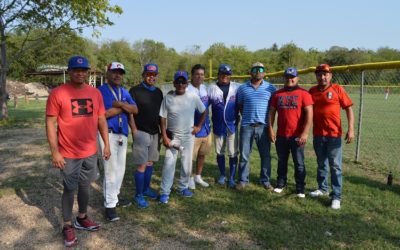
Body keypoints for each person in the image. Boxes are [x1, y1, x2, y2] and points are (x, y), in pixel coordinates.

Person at [46, 55, 111, 247]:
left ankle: (82, 218)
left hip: (90, 150)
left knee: (85, 186)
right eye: (76, 70)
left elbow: (101, 120)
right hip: (68, 152)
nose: (80, 73)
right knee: (69, 188)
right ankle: (67, 225)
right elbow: (50, 123)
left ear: (88, 72)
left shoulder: (95, 93)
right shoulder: (58, 93)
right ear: (69, 71)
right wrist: (55, 152)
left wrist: (106, 144)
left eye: (83, 70)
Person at [309, 64, 354, 209]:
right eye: (319, 74)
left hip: (334, 135)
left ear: (330, 75)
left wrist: (351, 129)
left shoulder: (337, 89)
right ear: (316, 76)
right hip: (318, 134)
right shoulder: (312, 91)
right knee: (321, 163)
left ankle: (336, 196)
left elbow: (349, 109)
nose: (322, 77)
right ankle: (322, 188)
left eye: (325, 74)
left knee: (335, 166)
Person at [159, 71, 206, 204]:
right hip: (172, 136)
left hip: (188, 136)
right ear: (174, 83)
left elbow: (204, 111)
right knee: (169, 164)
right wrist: (164, 136)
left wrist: (198, 126)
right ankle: (164, 192)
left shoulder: (193, 97)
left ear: (187, 83)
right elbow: (162, 118)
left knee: (186, 164)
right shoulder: (168, 98)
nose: (180, 84)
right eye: (178, 82)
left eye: (183, 82)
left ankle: (183, 187)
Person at [98, 62, 138, 221]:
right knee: (109, 169)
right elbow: (105, 114)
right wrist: (125, 107)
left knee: (120, 169)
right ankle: (109, 205)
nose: (118, 75)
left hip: (122, 134)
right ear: (107, 73)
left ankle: (115, 196)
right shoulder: (101, 91)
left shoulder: (124, 91)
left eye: (120, 73)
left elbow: (135, 110)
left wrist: (120, 104)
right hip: (107, 133)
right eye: (114, 72)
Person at [268, 67, 313, 198]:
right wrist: (270, 129)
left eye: (292, 77)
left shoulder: (303, 93)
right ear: (284, 78)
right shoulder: (277, 94)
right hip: (282, 135)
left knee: (299, 163)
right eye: (287, 77)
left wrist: (305, 133)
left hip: (297, 135)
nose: (290, 79)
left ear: (297, 78)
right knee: (282, 161)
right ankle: (281, 183)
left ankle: (300, 187)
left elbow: (310, 114)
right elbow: (271, 112)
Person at [236, 62, 276, 190]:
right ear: (250, 72)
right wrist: (248, 117)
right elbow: (240, 106)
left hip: (263, 127)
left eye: (261, 69)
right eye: (255, 69)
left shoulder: (271, 88)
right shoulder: (242, 88)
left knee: (265, 155)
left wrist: (270, 127)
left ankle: (265, 180)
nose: (258, 71)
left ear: (264, 72)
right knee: (244, 155)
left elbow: (272, 109)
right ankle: (243, 180)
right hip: (247, 126)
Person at [129, 63, 164, 208]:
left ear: (156, 76)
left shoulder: (158, 92)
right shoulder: (135, 91)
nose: (151, 77)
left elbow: (162, 114)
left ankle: (146, 189)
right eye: (149, 74)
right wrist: (134, 129)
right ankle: (138, 194)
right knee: (141, 165)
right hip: (141, 132)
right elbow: (130, 111)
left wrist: (162, 131)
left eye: (154, 75)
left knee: (150, 163)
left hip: (155, 132)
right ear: (144, 75)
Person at [207, 64, 241, 188]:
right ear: (218, 75)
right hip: (218, 125)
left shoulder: (236, 87)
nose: (225, 77)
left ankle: (231, 177)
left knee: (233, 152)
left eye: (227, 75)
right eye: (222, 74)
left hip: (232, 125)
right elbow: (204, 105)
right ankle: (222, 174)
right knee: (219, 152)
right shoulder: (211, 88)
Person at [186, 64, 211, 189]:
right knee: (191, 157)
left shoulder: (205, 88)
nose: (199, 77)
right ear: (192, 75)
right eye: (197, 74)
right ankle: (189, 178)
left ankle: (198, 176)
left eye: (202, 74)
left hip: (206, 129)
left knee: (202, 154)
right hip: (193, 129)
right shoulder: (187, 89)